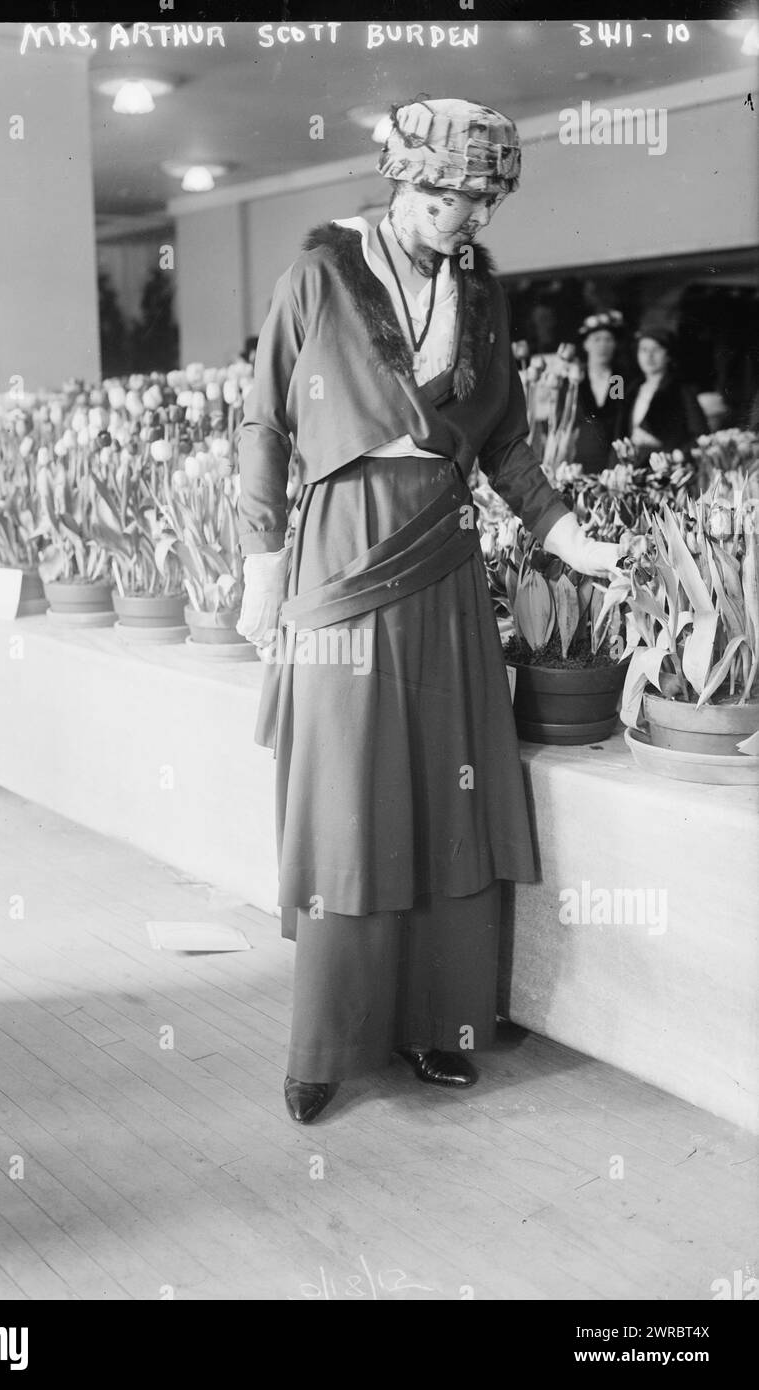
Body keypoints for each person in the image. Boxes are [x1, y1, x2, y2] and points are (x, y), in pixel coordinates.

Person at [235, 96, 621, 1125]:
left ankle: (439, 1026)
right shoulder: (320, 272)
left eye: (482, 203)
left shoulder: (483, 298)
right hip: (342, 546)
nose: (467, 220)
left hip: (444, 566)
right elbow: (266, 422)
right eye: (451, 197)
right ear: (404, 178)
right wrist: (261, 565)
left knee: (444, 799)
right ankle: (326, 1041)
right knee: (348, 795)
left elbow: (506, 451)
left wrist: (571, 537)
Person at [617, 324, 708, 463]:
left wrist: (670, 452)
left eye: (656, 349)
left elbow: (701, 435)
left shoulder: (681, 390)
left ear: (668, 355)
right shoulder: (632, 390)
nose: (649, 356)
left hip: (667, 469)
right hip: (634, 469)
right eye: (644, 350)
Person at [571, 310, 631, 474]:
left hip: (609, 457)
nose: (602, 345)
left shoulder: (617, 379)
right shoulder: (575, 378)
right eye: (597, 339)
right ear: (586, 344)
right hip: (578, 457)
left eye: (608, 340)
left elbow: (615, 413)